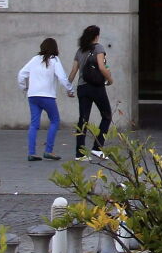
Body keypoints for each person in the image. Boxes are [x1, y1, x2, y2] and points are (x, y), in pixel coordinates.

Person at [18, 38, 74, 161]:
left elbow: (21, 74)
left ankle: (31, 153)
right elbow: (62, 78)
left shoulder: (34, 59)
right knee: (54, 121)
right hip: (47, 96)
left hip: (33, 96)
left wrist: (24, 88)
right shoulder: (54, 60)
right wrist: (70, 89)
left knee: (34, 124)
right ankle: (48, 150)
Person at [68, 25, 114, 160]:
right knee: (107, 116)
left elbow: (73, 71)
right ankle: (98, 148)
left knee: (83, 119)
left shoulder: (80, 50)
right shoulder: (98, 48)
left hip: (82, 88)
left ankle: (80, 153)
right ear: (96, 36)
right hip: (96, 87)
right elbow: (102, 67)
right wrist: (110, 80)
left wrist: (69, 87)